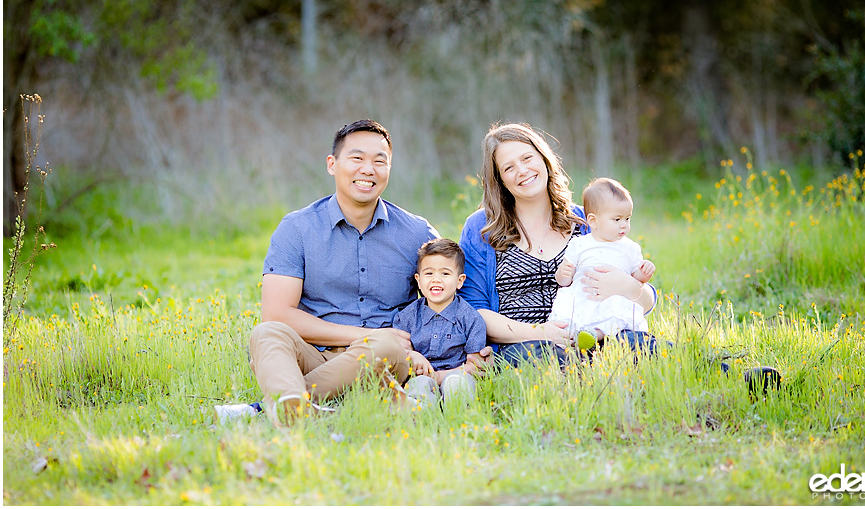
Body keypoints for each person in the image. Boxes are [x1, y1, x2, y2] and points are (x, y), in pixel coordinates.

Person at [246, 119, 443, 426]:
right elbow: (277, 314)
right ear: (332, 164)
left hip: (384, 359)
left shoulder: (417, 232)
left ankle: (277, 407)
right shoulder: (297, 229)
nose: (368, 169)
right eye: (357, 158)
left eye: (380, 161)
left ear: (389, 169)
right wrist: (366, 335)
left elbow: (446, 302)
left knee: (387, 345)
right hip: (315, 353)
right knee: (267, 332)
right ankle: (311, 404)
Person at [458, 123, 657, 367]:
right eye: (509, 167)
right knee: (554, 362)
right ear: (499, 180)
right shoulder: (482, 230)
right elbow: (474, 313)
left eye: (527, 158)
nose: (522, 170)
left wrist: (629, 287)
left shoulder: (587, 221)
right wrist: (541, 332)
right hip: (523, 346)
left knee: (648, 348)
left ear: (544, 159)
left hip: (596, 336)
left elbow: (646, 301)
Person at [550, 177, 656, 352]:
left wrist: (644, 274)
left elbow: (637, 278)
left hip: (612, 298)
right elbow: (564, 280)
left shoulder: (629, 247)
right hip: (584, 296)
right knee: (568, 312)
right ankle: (570, 341)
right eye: (617, 219)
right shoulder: (580, 244)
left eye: (627, 219)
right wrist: (563, 274)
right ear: (593, 220)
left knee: (617, 312)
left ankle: (596, 334)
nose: (624, 225)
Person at [392, 238, 487, 405]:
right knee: (418, 385)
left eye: (445, 273)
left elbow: (475, 365)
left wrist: (439, 377)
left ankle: (459, 424)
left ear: (460, 281)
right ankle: (422, 421)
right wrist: (412, 355)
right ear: (418, 280)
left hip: (458, 374)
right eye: (429, 273)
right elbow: (398, 351)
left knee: (457, 383)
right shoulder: (407, 317)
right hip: (420, 376)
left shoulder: (470, 318)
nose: (436, 279)